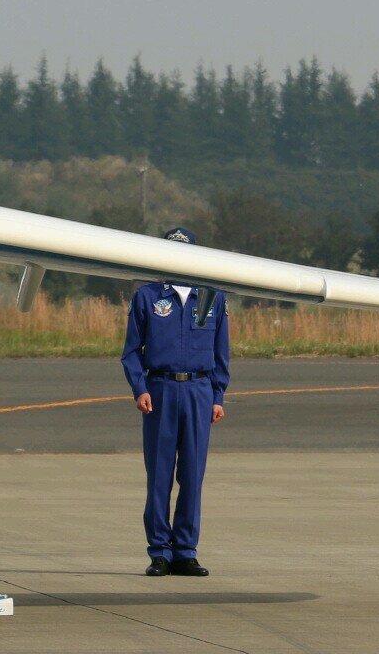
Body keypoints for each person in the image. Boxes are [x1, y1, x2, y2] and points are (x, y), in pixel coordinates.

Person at [119, 225, 229, 577]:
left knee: (193, 475)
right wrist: (140, 389)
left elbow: (220, 350)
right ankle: (159, 552)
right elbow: (132, 351)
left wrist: (218, 394)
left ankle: (185, 550)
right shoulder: (149, 296)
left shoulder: (211, 297)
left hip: (198, 391)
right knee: (160, 475)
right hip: (161, 390)